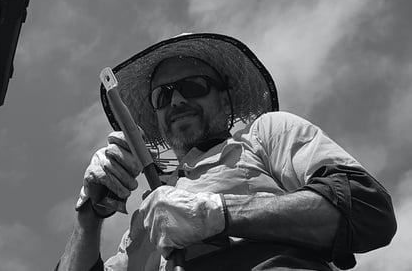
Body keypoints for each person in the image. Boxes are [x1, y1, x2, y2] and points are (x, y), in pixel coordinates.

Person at [57, 33, 396, 271]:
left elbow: (366, 210)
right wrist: (88, 216)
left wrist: (217, 213)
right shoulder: (147, 216)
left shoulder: (266, 135)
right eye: (163, 96)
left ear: (223, 98)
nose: (176, 101)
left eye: (193, 87)